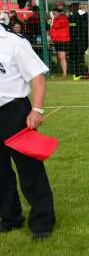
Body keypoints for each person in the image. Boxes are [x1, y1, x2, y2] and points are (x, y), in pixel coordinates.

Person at [0, 23, 55, 239]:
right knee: (0, 171)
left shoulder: (14, 42)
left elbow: (37, 76)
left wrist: (37, 109)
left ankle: (42, 222)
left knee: (29, 168)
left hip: (14, 111)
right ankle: (10, 217)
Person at [66, 2, 88, 80]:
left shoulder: (82, 17)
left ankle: (80, 72)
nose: (72, 9)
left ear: (77, 8)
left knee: (78, 57)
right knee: (73, 57)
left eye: (74, 7)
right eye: (71, 8)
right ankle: (75, 72)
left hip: (79, 41)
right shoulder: (69, 17)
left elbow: (82, 29)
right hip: (72, 41)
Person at [49, 5, 70, 78]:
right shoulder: (54, 19)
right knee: (59, 56)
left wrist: (52, 20)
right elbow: (52, 30)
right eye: (53, 13)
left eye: (55, 13)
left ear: (59, 13)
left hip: (63, 40)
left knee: (62, 56)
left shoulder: (63, 18)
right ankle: (61, 71)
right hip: (56, 40)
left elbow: (57, 26)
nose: (54, 15)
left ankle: (64, 73)